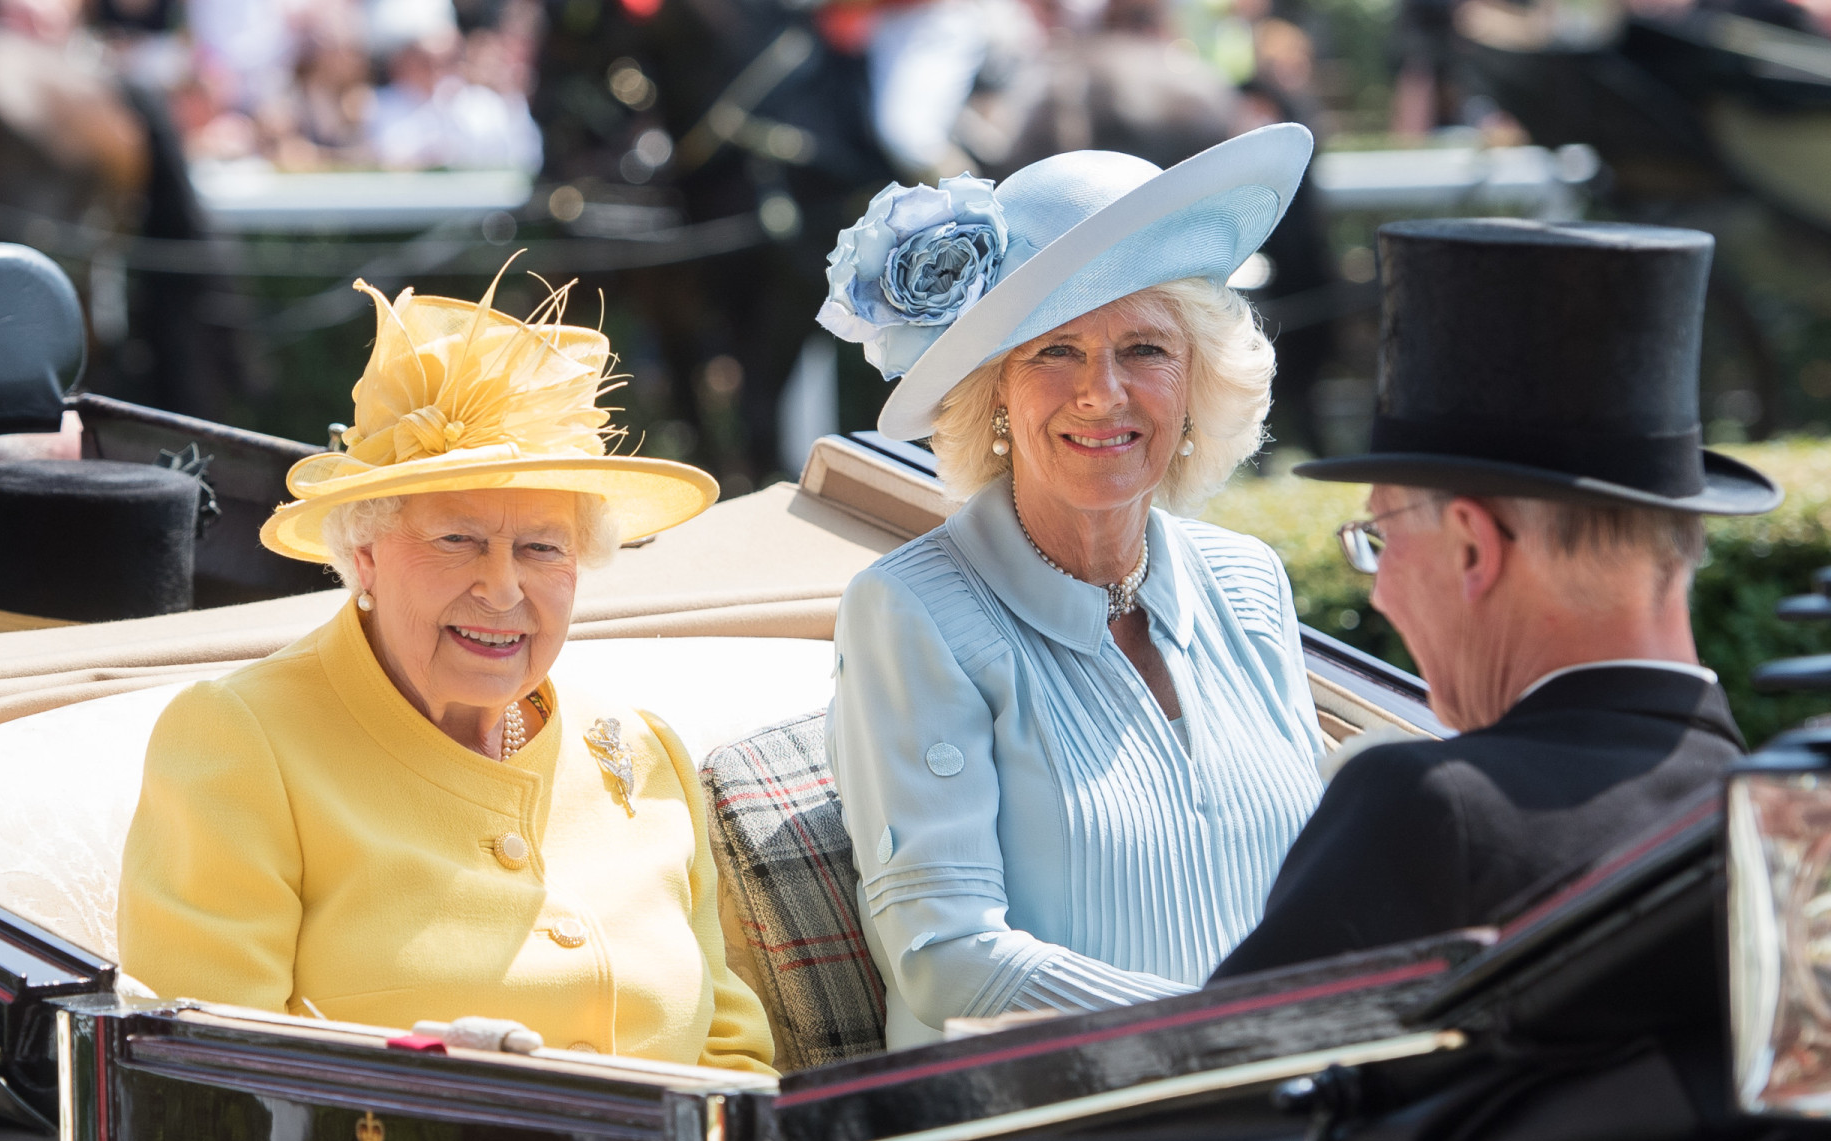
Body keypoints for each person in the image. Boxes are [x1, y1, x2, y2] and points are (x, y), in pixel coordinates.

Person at [117, 268, 774, 1075]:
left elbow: (735, 1065)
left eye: (541, 547)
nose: (502, 588)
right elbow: (206, 1092)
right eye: (456, 540)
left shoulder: (640, 754)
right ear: (364, 552)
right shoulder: (241, 745)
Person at [818, 124, 1327, 1048]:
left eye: (1143, 348)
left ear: (1197, 381)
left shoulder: (1249, 585)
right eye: (1054, 351)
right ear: (994, 395)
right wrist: (1218, 1037)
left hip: (1272, 1115)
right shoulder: (911, 612)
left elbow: (1317, 892)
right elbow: (945, 955)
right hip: (1040, 1139)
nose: (1102, 392)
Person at [1212, 218, 1783, 980]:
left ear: (1474, 548)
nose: (1379, 591)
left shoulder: (1432, 812)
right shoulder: (1780, 831)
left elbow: (1197, 1084)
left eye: (1380, 536)